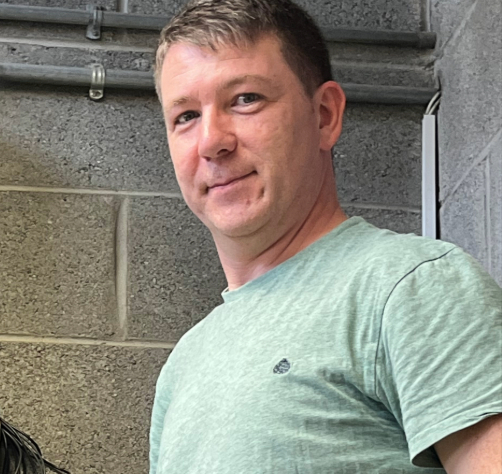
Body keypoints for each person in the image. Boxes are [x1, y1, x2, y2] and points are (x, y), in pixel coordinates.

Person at [148, 0, 502, 472]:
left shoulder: (411, 287)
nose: (212, 141)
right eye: (185, 116)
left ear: (324, 116)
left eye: (245, 99)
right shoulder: (183, 366)